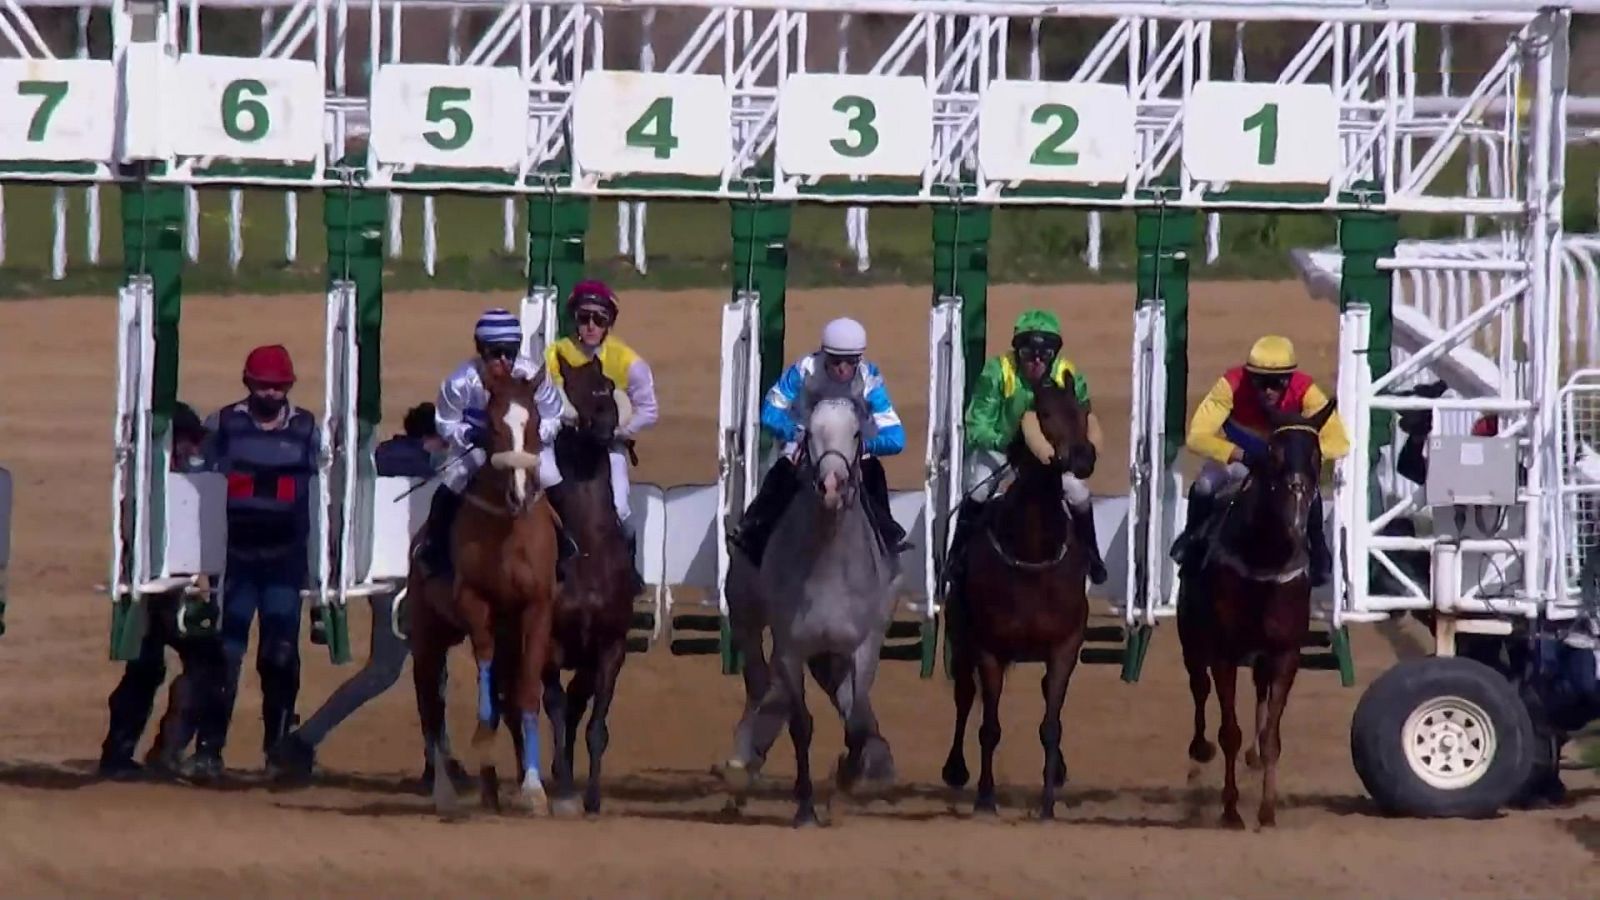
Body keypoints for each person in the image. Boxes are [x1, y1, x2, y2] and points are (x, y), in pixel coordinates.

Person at [266, 402, 464, 786]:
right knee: (386, 670)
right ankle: (303, 741)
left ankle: (438, 757)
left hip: (391, 577)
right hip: (406, 581)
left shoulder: (382, 456)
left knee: (418, 668)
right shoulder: (425, 464)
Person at [191, 345, 322, 778]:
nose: (271, 393)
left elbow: (322, 493)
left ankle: (279, 749)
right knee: (225, 655)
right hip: (235, 561)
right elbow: (201, 486)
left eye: (279, 386)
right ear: (247, 383)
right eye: (263, 385)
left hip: (285, 560)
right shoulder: (223, 424)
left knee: (280, 655)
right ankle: (209, 750)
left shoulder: (306, 428)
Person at [97, 402, 228, 781]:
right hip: (158, 589)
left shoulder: (145, 480)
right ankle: (142, 751)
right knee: (162, 667)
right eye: (188, 443)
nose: (193, 452)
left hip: (165, 587)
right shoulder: (155, 483)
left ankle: (144, 750)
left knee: (157, 668)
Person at [1168, 334, 1350, 587]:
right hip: (1240, 459)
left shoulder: (1306, 390)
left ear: (1290, 379)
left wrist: (1298, 457)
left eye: (1277, 383)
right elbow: (1197, 436)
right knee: (1204, 486)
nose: (1268, 390)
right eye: (1260, 381)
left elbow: (1339, 442)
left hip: (1284, 466)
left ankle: (1318, 551)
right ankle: (1191, 542)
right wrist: (1240, 454)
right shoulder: (1230, 385)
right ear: (1248, 375)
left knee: (1308, 490)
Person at [945, 309, 1108, 586]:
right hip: (1003, 449)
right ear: (1016, 351)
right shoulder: (997, 371)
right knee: (979, 489)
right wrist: (1003, 443)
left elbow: (1081, 415)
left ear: (1054, 354)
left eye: (1044, 354)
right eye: (1027, 353)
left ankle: (1092, 556)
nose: (1035, 361)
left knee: (1078, 492)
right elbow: (977, 422)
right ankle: (955, 556)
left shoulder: (1068, 374)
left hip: (1052, 456)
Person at [727, 317, 910, 564]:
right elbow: (770, 411)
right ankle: (753, 529)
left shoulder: (870, 379)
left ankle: (888, 535)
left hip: (852, 448)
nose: (843, 369)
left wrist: (865, 446)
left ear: (860, 359)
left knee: (874, 473)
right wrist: (794, 432)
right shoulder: (804, 370)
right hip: (806, 442)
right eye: (835, 361)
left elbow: (896, 438)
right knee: (782, 472)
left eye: (851, 361)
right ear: (824, 355)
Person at [421, 307, 570, 579]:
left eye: (510, 352)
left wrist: (531, 439)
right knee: (452, 481)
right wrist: (468, 435)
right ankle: (435, 549)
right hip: (477, 447)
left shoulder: (533, 375)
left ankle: (568, 548)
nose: (503, 360)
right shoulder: (459, 381)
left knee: (552, 476)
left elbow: (553, 415)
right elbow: (445, 422)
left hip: (526, 445)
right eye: (495, 353)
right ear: (481, 350)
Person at [544, 280, 660, 588]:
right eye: (584, 318)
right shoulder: (554, 354)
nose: (591, 326)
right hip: (564, 444)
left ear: (609, 321)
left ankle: (628, 569)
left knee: (620, 506)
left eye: (599, 319)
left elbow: (649, 410)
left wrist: (619, 432)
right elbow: (544, 400)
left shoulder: (629, 361)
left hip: (608, 448)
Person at [374, 403, 447, 478]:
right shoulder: (421, 465)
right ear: (426, 437)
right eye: (444, 443)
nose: (446, 447)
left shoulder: (384, 448)